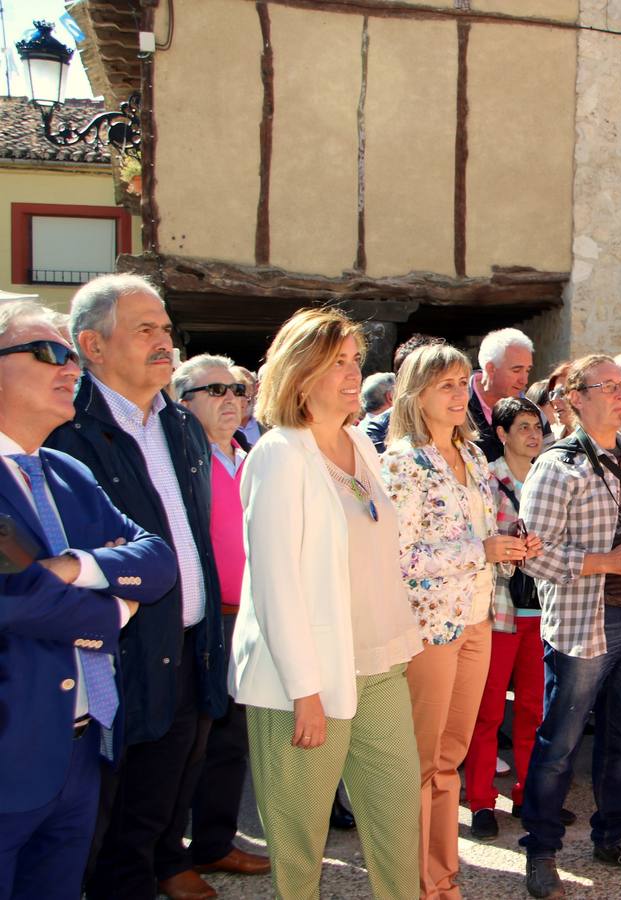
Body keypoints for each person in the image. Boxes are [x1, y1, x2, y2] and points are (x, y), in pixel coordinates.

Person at [230, 308, 423, 899]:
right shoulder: (280, 454)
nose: (350, 372)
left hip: (379, 664)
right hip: (304, 678)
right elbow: (274, 584)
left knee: (397, 820)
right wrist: (303, 690)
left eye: (354, 361)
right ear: (297, 373)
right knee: (299, 844)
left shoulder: (359, 444)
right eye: (334, 361)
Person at [47, 274, 228, 900]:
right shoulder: (66, 428)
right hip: (113, 650)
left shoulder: (179, 423)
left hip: (187, 638)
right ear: (92, 347)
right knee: (104, 812)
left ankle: (156, 868)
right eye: (144, 329)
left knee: (164, 787)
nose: (164, 342)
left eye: (166, 330)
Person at [0, 301, 173, 900]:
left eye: (71, 355)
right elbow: (14, 600)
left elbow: (158, 561)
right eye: (47, 352)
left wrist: (79, 565)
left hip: (82, 751)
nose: (70, 367)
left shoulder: (68, 471)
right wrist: (113, 609)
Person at [516, 354, 621, 899]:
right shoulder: (556, 465)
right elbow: (531, 557)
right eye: (605, 386)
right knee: (559, 744)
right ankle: (541, 852)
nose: (619, 393)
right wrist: (607, 561)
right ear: (574, 399)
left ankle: (614, 836)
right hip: (586, 621)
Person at [381, 343, 538, 897]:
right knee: (422, 762)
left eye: (458, 383)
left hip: (477, 620)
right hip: (430, 627)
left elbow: (481, 532)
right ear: (415, 395)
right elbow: (402, 556)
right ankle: (416, 880)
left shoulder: (472, 456)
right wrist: (483, 550)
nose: (455, 395)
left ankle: (442, 878)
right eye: (443, 385)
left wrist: (515, 542)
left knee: (450, 758)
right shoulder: (402, 462)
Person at [172, 356, 271, 879]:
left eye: (237, 390)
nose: (232, 399)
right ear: (181, 399)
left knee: (232, 737)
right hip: (201, 620)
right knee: (192, 738)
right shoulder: (178, 460)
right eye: (215, 390)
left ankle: (213, 843)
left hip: (246, 617)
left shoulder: (248, 455)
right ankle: (171, 854)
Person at [464, 397, 563, 840]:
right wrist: (510, 547)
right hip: (499, 610)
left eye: (536, 426)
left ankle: (527, 794)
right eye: (522, 426)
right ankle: (481, 799)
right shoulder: (485, 479)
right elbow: (474, 542)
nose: (533, 434)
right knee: (486, 713)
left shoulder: (551, 476)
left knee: (533, 711)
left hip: (544, 609)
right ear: (501, 434)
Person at [470, 328, 535, 462]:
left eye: (527, 370)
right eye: (516, 370)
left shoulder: (534, 412)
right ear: (491, 369)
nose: (524, 380)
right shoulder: (458, 407)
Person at [231, 366, 262, 447]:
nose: (244, 400)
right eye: (238, 393)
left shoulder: (269, 423)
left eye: (249, 395)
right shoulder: (218, 430)